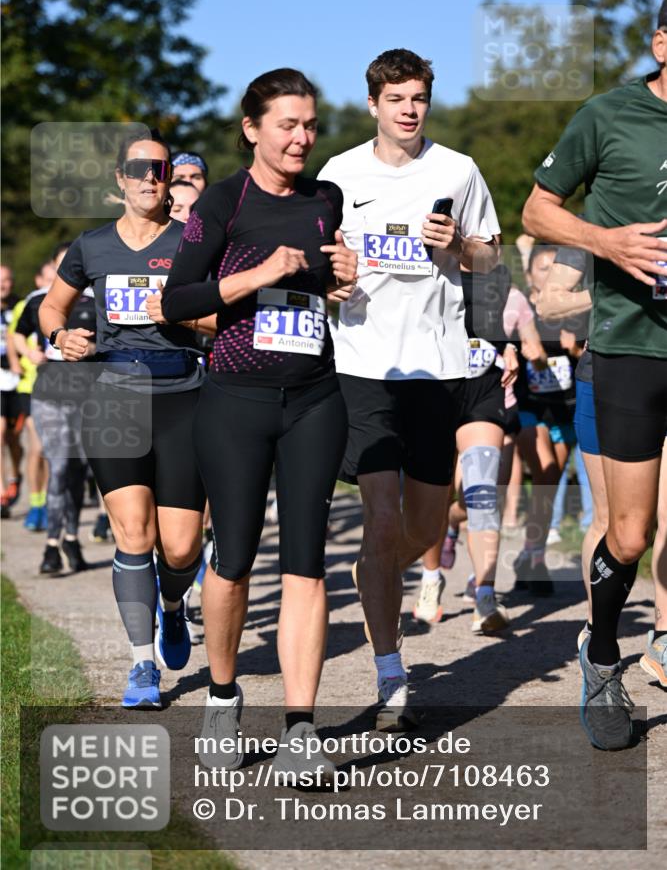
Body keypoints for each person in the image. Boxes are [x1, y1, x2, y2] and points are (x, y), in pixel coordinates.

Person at [162, 68, 357, 772]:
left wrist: (344, 279)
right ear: (252, 129)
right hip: (235, 400)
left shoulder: (326, 199)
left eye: (308, 124)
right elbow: (176, 301)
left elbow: (329, 289)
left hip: (313, 397)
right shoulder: (223, 201)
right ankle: (221, 697)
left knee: (307, 562)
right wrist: (255, 274)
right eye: (287, 124)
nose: (302, 136)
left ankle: (301, 730)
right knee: (235, 557)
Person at [318, 48, 501, 728]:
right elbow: (322, 260)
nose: (409, 110)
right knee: (384, 520)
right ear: (373, 105)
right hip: (363, 364)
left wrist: (456, 245)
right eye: (396, 100)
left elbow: (491, 255)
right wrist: (331, 278)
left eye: (418, 99)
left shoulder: (457, 171)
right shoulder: (340, 173)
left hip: (438, 367)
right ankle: (391, 671)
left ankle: (378, 575)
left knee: (424, 527)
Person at [521, 0, 667, 749]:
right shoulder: (607, 116)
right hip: (633, 346)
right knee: (630, 531)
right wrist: (605, 242)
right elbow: (538, 210)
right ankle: (603, 655)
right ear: (660, 43)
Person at [39, 128, 209, 708]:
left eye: (159, 170)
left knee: (182, 548)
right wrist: (62, 336)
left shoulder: (193, 241)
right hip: (114, 390)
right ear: (119, 179)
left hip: (185, 390)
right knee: (134, 533)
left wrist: (184, 315)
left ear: (170, 179)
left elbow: (223, 316)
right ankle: (142, 666)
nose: (149, 179)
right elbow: (52, 308)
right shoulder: (92, 246)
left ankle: (173, 604)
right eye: (137, 169)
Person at [538, 239, 667, 687]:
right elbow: (550, 305)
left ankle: (664, 637)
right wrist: (616, 286)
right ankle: (598, 629)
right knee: (613, 521)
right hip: (608, 378)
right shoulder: (595, 232)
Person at [412, 261, 519, 633]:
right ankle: (430, 579)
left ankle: (485, 596)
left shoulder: (495, 268)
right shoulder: (424, 259)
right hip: (436, 385)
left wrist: (511, 348)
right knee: (436, 497)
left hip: (482, 386)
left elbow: (504, 322)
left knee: (482, 492)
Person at [15, 243, 95, 575]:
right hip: (49, 394)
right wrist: (27, 353)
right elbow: (18, 335)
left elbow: (113, 341)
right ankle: (51, 546)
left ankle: (73, 539)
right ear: (54, 266)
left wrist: (90, 348)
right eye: (64, 264)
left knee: (78, 470)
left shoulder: (96, 299)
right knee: (59, 467)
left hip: (89, 396)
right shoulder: (39, 301)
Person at [511, 242, 586, 595]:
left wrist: (576, 348)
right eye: (542, 268)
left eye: (554, 268)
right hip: (529, 408)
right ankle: (536, 558)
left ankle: (530, 554)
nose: (549, 274)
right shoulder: (520, 310)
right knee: (544, 472)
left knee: (549, 481)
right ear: (529, 276)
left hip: (564, 410)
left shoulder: (574, 312)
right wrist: (521, 348)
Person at [11, 260, 57, 531]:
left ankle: (50, 503)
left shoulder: (78, 301)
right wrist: (27, 356)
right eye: (49, 279)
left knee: (54, 451)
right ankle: (36, 503)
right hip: (30, 385)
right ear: (39, 280)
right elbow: (13, 336)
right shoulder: (29, 303)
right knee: (37, 448)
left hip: (62, 384)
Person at [1, 265, 23, 517]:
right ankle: (2, 493)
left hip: (19, 379)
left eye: (6, 280)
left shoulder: (20, 305)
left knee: (14, 440)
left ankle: (15, 476)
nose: (2, 285)